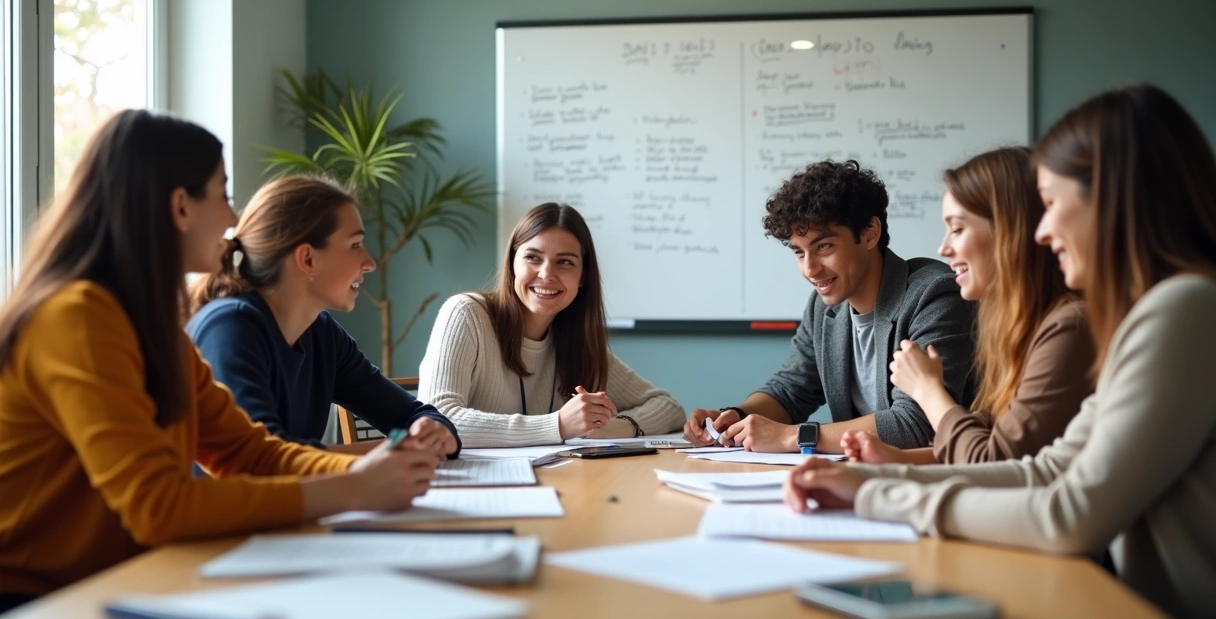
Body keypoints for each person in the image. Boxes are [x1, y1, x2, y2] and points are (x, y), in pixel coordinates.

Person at [782, 84, 1216, 618]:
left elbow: (1068, 512)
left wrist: (876, 496)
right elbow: (1048, 470)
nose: (1044, 230)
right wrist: (874, 478)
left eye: (1052, 205)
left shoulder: (1184, 308)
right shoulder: (1152, 312)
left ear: (1112, 199)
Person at [0, 111, 438, 612]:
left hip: (117, 583)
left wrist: (366, 475)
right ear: (181, 206)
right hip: (35, 600)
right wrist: (350, 489)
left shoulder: (151, 324)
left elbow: (252, 454)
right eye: (223, 193)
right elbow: (157, 506)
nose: (233, 220)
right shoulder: (77, 315)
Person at [684, 160, 976, 454]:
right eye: (799, 252)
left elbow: (914, 424)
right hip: (863, 477)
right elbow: (791, 390)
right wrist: (735, 416)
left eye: (823, 247)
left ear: (869, 233)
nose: (810, 269)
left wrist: (792, 436)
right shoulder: (824, 308)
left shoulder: (935, 294)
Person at [840, 147, 1093, 465]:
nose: (943, 248)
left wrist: (927, 390)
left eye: (958, 229)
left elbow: (995, 459)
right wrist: (895, 459)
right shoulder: (1013, 327)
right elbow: (991, 438)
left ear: (1008, 231)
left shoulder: (1069, 328)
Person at [187, 175, 459, 458]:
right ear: (308, 259)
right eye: (355, 245)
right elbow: (259, 461)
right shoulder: (230, 328)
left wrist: (435, 431)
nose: (369, 262)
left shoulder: (321, 333)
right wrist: (394, 451)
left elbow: (412, 413)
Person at [417, 202, 686, 447]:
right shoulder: (466, 314)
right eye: (532, 257)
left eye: (565, 262)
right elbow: (435, 420)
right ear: (512, 264)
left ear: (582, 277)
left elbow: (668, 407)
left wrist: (614, 427)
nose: (546, 274)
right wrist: (557, 425)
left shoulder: (575, 340)